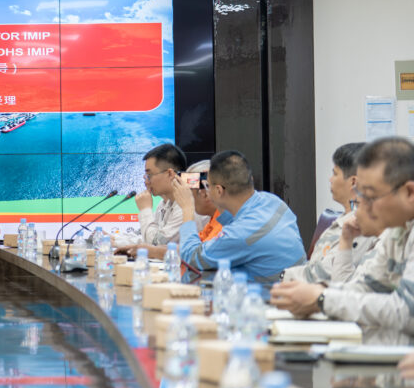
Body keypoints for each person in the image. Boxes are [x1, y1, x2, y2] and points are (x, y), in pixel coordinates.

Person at [271, 137, 414, 333]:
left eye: (371, 196)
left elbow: (406, 312)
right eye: (361, 196)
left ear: (409, 192)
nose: (362, 207)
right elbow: (366, 286)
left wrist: (322, 299)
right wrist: (319, 292)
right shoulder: (397, 230)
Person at [173, 150, 306, 282]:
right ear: (250, 179)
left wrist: (187, 208)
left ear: (218, 190)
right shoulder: (274, 202)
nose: (206, 192)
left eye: (208, 186)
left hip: (268, 293)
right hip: (295, 284)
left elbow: (191, 258)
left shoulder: (240, 234)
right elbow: (235, 225)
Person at [282, 142, 364, 282]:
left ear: (353, 183)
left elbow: (326, 274)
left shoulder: (360, 226)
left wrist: (283, 276)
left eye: (335, 174)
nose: (330, 179)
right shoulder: (342, 220)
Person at [119, 159, 221, 260]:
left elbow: (193, 254)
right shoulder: (214, 221)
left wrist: (187, 208)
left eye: (189, 193)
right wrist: (146, 249)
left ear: (205, 193)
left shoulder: (225, 226)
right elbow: (191, 249)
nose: (146, 181)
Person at [134, 143, 187, 246]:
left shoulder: (185, 206)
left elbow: (156, 243)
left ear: (170, 174)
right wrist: (112, 239)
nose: (146, 182)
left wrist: (145, 210)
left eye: (149, 175)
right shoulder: (164, 204)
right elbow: (142, 236)